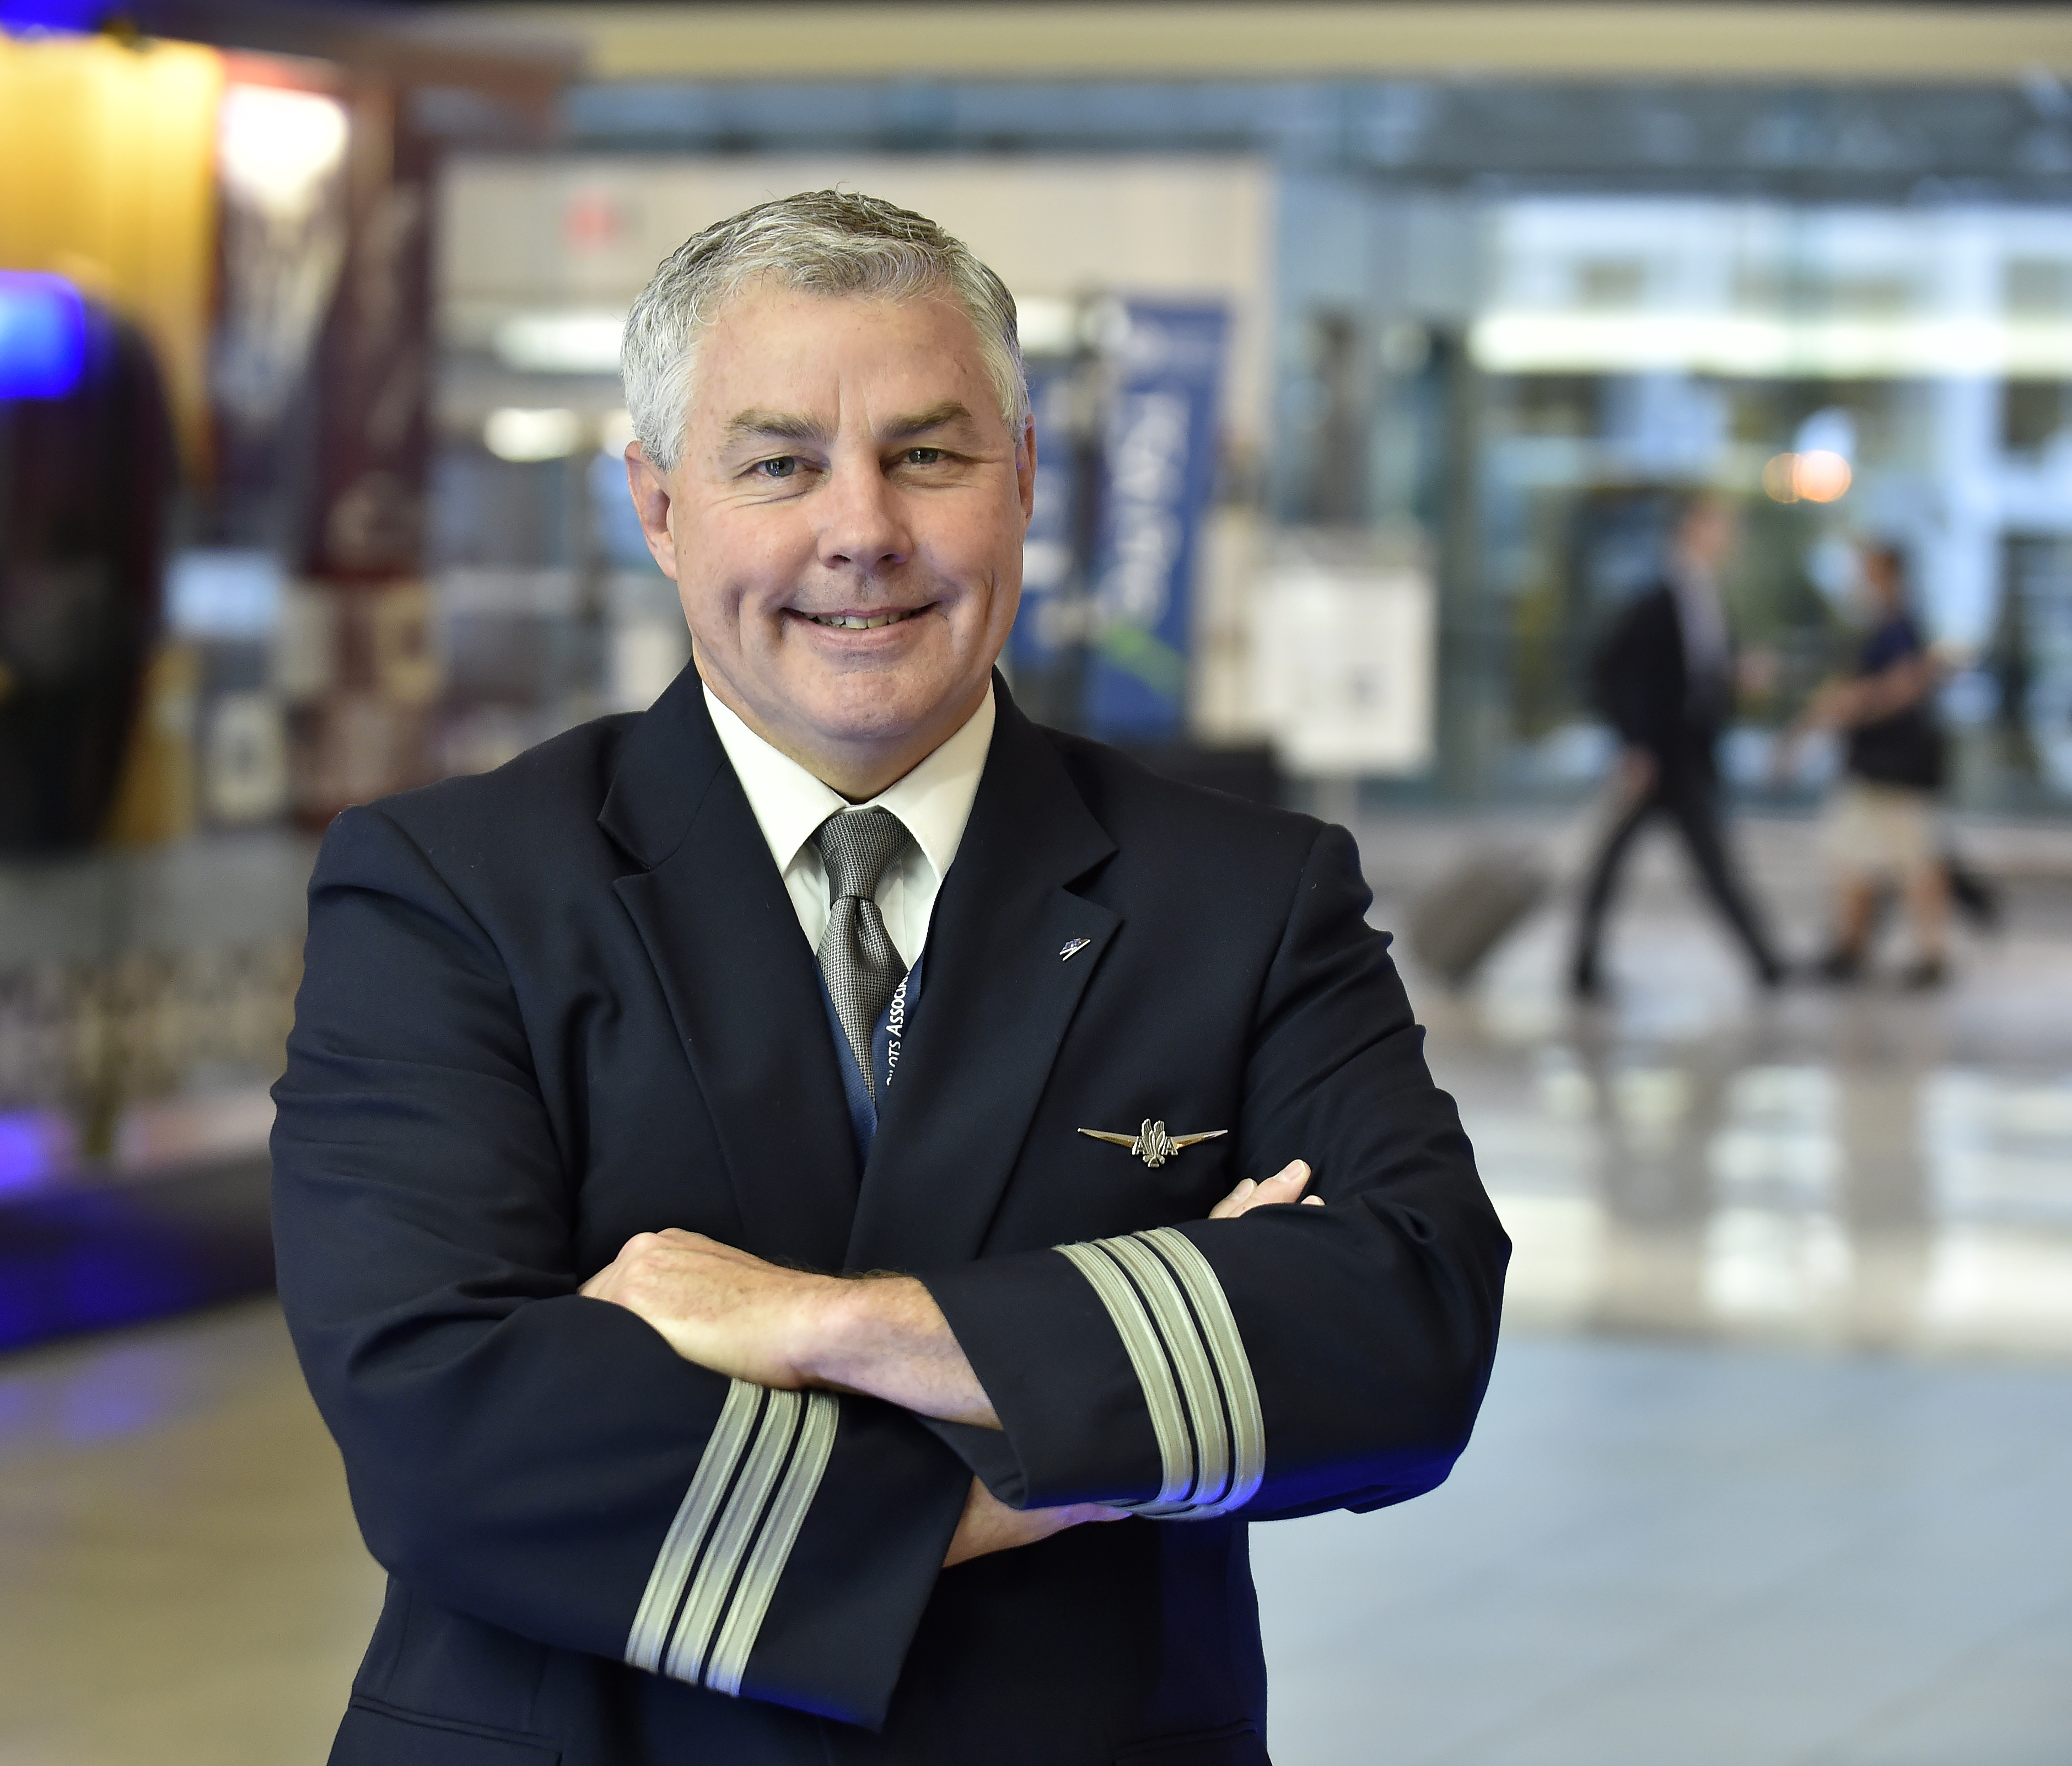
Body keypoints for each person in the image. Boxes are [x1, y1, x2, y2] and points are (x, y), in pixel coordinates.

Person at [269, 192, 1506, 1766]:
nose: (862, 529)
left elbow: (1409, 1331)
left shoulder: (1243, 897)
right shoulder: (452, 890)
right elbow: (449, 1431)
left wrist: (818, 1321)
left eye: (927, 453)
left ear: (1028, 480)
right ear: (657, 506)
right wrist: (1083, 1442)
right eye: (779, 461)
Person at [1570, 491, 1785, 998]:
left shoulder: (1708, 595)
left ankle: (1766, 961)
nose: (1727, 538)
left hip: (1688, 756)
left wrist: (1736, 676)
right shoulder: (1655, 598)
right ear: (1691, 529)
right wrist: (1634, 744)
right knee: (1618, 863)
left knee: (1707, 862)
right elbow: (1618, 673)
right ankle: (1583, 966)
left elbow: (1697, 673)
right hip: (1658, 757)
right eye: (1717, 526)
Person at [1782, 543, 1953, 987]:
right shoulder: (1886, 627)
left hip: (1891, 767)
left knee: (1910, 858)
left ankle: (1919, 953)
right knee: (1858, 854)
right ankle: (1854, 947)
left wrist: (1849, 705)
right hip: (1877, 765)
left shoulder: (1899, 628)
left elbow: (1902, 687)